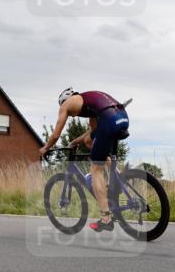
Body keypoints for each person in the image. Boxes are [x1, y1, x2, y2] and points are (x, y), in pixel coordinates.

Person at [40, 87, 129, 231]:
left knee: (95, 169)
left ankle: (106, 219)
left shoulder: (66, 104)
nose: (73, 116)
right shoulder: (89, 103)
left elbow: (56, 135)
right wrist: (75, 141)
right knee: (89, 141)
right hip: (122, 117)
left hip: (109, 120)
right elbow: (93, 131)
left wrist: (45, 148)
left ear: (65, 99)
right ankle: (118, 177)